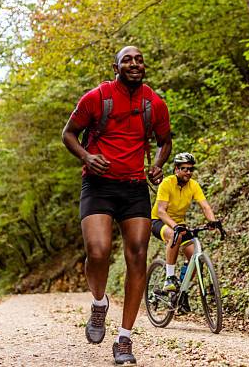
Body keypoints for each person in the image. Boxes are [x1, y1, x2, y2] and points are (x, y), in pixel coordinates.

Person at [62, 46, 172, 365]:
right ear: (116, 67)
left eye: (139, 59)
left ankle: (124, 339)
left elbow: (165, 141)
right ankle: (99, 304)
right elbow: (68, 134)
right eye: (127, 59)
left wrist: (158, 165)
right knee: (97, 251)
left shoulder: (154, 103)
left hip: (135, 187)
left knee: (137, 254)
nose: (134, 64)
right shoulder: (97, 97)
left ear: (144, 65)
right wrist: (86, 156)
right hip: (98, 184)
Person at [151, 152, 222, 313]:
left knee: (194, 256)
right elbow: (161, 211)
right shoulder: (166, 183)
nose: (188, 172)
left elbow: (205, 206)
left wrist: (212, 221)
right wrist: (175, 226)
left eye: (191, 169)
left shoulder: (193, 185)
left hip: (179, 225)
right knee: (173, 235)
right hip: (159, 221)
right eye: (184, 169)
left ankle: (181, 292)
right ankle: (169, 277)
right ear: (176, 169)